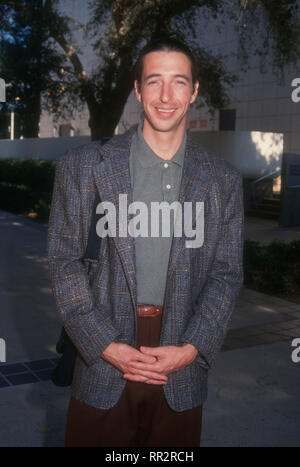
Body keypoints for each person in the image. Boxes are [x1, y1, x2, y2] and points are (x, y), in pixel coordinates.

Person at [47, 36, 244, 447]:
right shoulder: (83, 167)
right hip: (103, 356)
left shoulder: (222, 180)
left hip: (182, 358)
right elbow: (64, 263)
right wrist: (103, 343)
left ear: (195, 91)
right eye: (154, 81)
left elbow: (226, 273)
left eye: (179, 82)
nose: (166, 96)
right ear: (137, 90)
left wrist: (192, 348)